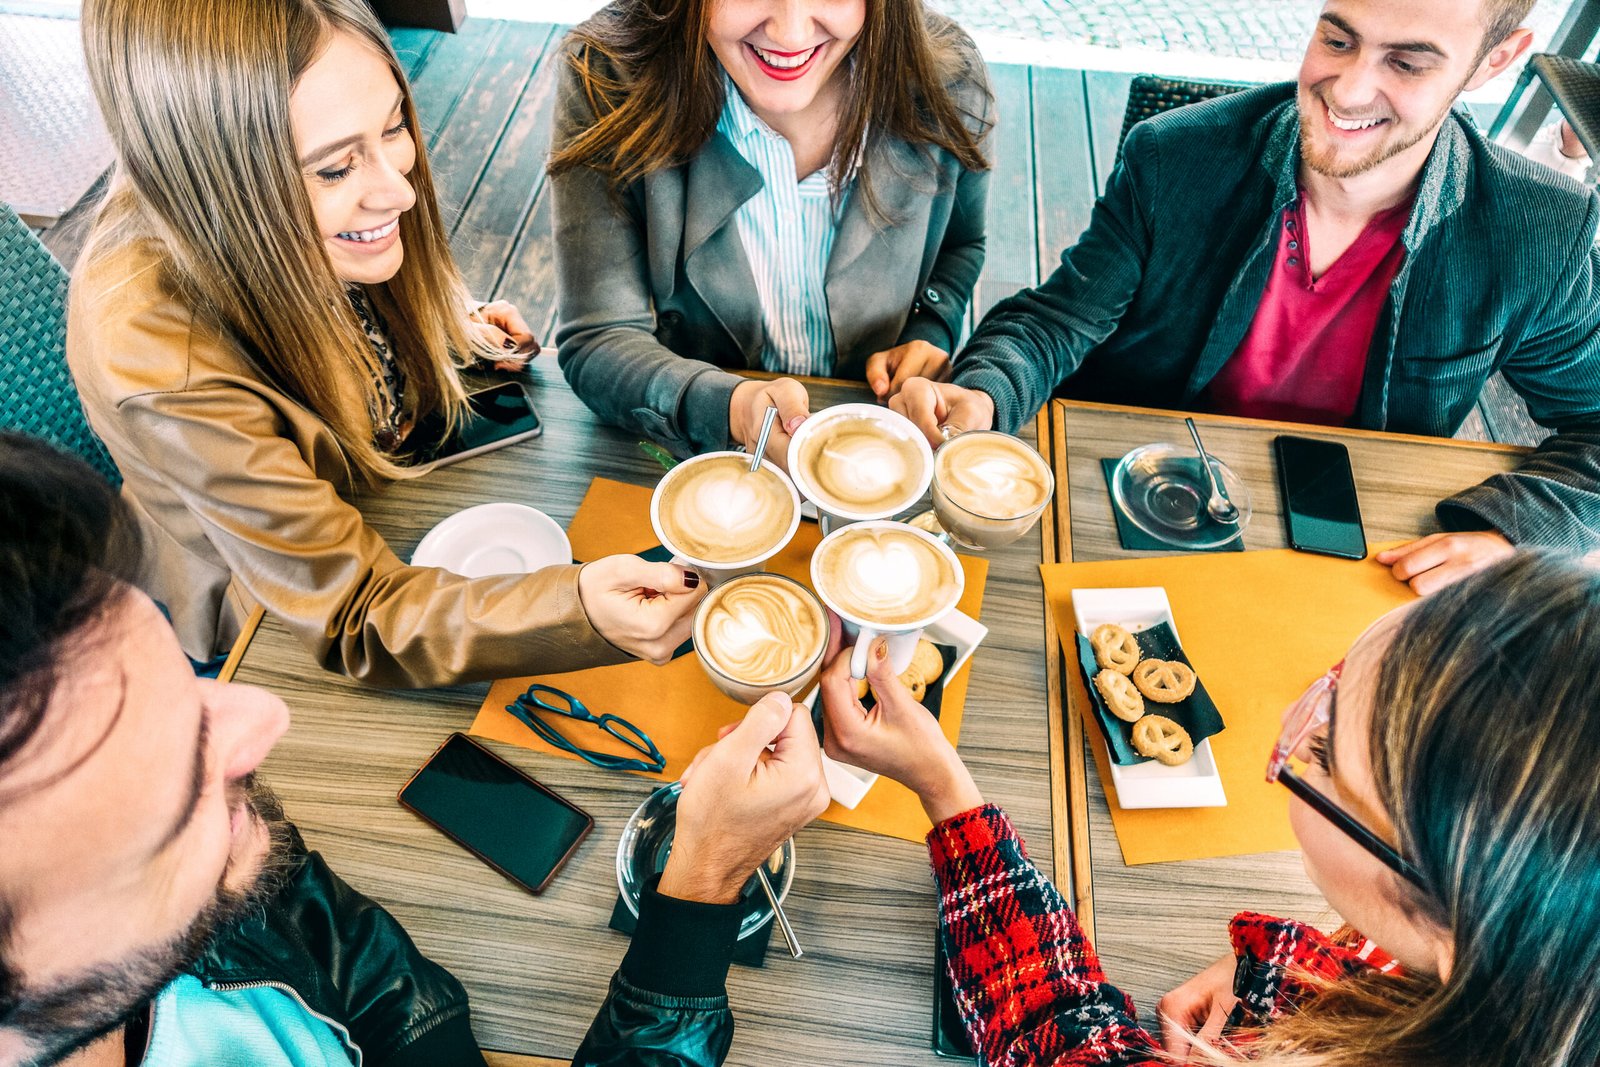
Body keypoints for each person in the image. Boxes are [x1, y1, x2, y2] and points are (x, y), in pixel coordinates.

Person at [0, 432, 830, 1067]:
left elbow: (351, 955)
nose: (265, 716)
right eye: (175, 771)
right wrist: (702, 886)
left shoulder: (197, 882)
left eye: (191, 687)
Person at [66, 0, 703, 688]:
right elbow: (353, 617)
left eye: (395, 125)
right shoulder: (161, 356)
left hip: (379, 496)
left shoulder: (288, 218)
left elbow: (339, 306)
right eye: (334, 170)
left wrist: (454, 326)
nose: (401, 193)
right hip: (271, 621)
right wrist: (579, 612)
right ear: (217, 183)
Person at [890, 0, 1600, 596]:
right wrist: (983, 391)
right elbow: (1057, 319)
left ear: (1495, 60)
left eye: (1407, 64)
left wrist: (1510, 534)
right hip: (1125, 513)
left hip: (1361, 559)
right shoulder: (1175, 155)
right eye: (1337, 40)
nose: (1349, 90)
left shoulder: (1541, 231)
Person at [817, 551, 1600, 1065]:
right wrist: (1286, 975)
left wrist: (945, 790)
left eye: (1324, 755)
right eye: (1333, 680)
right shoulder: (1534, 954)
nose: (1293, 720)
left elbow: (1046, 1030)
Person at [548, 0, 993, 468]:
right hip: (696, 460)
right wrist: (726, 406)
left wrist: (930, 325)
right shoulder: (607, 74)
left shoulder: (950, 78)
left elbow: (960, 245)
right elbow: (601, 336)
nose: (790, 34)